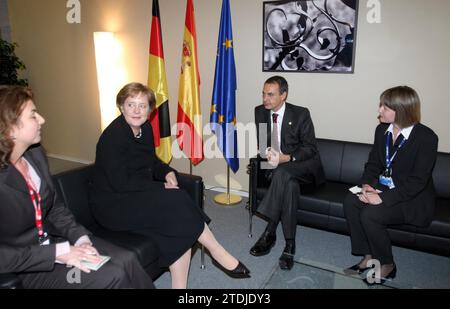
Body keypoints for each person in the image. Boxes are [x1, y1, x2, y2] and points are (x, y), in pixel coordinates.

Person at [89, 82, 250, 289]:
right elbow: (121, 183)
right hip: (112, 204)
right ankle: (217, 251)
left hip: (134, 194)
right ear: (121, 107)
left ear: (150, 109)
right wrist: (160, 187)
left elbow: (151, 161)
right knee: (177, 199)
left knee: (178, 224)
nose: (137, 110)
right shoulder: (112, 138)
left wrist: (167, 172)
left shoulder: (145, 128)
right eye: (131, 105)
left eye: (142, 105)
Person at [0, 85, 154, 289]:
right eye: (33, 115)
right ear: (9, 129)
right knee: (113, 275)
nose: (42, 120)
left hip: (52, 242)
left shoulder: (35, 154)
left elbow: (54, 208)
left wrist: (80, 238)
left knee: (127, 259)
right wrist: (57, 254)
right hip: (24, 267)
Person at [343, 86, 438, 285]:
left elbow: (418, 182)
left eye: (384, 107)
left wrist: (382, 198)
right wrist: (367, 185)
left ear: (400, 110)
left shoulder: (426, 138)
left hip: (412, 198)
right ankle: (368, 256)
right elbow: (373, 164)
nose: (379, 111)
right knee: (351, 201)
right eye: (380, 106)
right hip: (385, 189)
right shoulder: (381, 130)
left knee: (371, 214)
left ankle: (387, 264)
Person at [250, 76, 325, 270]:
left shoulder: (300, 114)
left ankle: (269, 231)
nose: (265, 99)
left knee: (283, 173)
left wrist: (286, 158)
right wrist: (266, 154)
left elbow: (310, 148)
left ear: (283, 95)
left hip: (303, 167)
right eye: (263, 94)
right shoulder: (260, 112)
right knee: (288, 185)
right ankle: (290, 245)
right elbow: (262, 145)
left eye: (271, 94)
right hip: (279, 171)